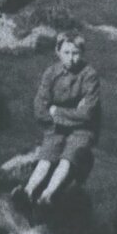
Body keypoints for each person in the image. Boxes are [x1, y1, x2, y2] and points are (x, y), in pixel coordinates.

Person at [21, 31, 101, 206]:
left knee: (67, 159)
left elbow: (87, 114)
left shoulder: (89, 75)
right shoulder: (51, 73)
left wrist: (56, 111)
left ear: (82, 53)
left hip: (83, 129)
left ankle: (47, 195)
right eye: (66, 53)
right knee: (46, 158)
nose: (71, 58)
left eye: (75, 53)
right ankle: (27, 191)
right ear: (58, 52)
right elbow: (39, 108)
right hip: (55, 127)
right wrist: (65, 115)